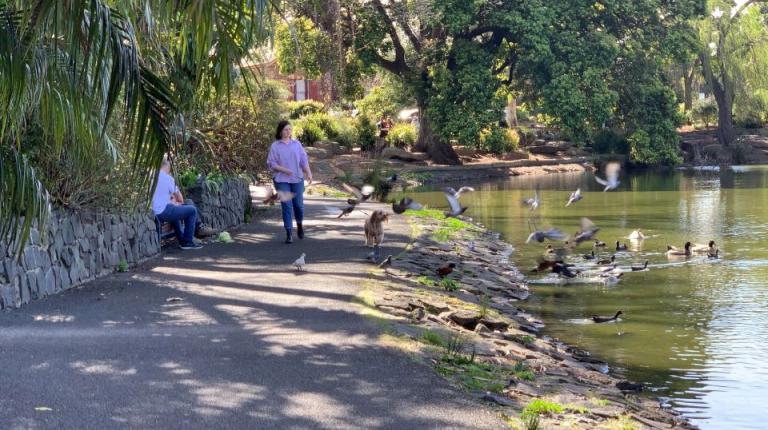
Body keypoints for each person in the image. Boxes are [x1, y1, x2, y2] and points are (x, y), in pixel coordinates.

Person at [267, 120, 313, 244]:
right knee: (286, 205)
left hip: (297, 179)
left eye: (290, 129)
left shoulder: (296, 144)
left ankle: (299, 225)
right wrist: (285, 170)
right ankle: (288, 233)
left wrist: (308, 173)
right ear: (280, 131)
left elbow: (303, 160)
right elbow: (271, 163)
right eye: (286, 129)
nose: (288, 132)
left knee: (298, 206)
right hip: (281, 179)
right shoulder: (275, 146)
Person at [152, 160, 203, 249]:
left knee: (175, 210)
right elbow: (180, 199)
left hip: (154, 212)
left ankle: (182, 240)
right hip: (163, 211)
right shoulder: (168, 178)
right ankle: (187, 242)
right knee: (192, 210)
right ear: (168, 167)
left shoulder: (151, 176)